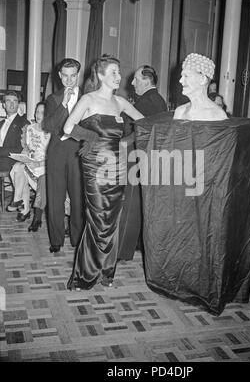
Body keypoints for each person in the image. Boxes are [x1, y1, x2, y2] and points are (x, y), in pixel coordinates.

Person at [63, 54, 144, 290]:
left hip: (118, 167)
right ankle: (84, 274)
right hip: (95, 166)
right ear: (100, 75)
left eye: (119, 72)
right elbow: (69, 127)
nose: (119, 77)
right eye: (114, 73)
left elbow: (146, 124)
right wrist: (92, 137)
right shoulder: (88, 99)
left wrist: (126, 142)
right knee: (98, 218)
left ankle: (107, 272)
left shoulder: (121, 102)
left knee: (113, 220)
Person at [118, 65, 168, 261]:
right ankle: (136, 245)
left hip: (138, 159)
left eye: (136, 79)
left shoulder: (149, 101)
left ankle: (123, 251)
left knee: (131, 204)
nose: (132, 82)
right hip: (145, 159)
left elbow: (142, 129)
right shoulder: (155, 99)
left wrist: (124, 141)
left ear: (146, 81)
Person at [43, 58, 84, 253]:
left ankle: (77, 240)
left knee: (78, 200)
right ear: (60, 76)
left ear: (78, 75)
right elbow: (49, 126)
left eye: (73, 76)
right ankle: (56, 241)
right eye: (65, 76)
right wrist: (64, 104)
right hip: (57, 153)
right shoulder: (53, 99)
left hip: (78, 153)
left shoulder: (87, 97)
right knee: (55, 199)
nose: (69, 80)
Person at [8, 102, 51, 227]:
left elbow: (54, 155)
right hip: (31, 163)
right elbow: (27, 148)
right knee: (16, 168)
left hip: (45, 166)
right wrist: (25, 157)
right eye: (37, 111)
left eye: (42, 112)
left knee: (18, 169)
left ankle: (21, 204)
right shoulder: (30, 128)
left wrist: (39, 162)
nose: (38, 115)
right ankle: (19, 202)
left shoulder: (51, 131)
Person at [173, 53, 228, 121]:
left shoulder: (218, 115)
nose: (180, 80)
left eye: (186, 76)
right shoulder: (180, 112)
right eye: (182, 76)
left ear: (203, 80)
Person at [0, 91, 29, 180]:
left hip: (10, 161)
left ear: (18, 104)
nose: (12, 104)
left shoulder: (24, 123)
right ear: (4, 105)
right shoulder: (1, 123)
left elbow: (20, 149)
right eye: (8, 101)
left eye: (15, 101)